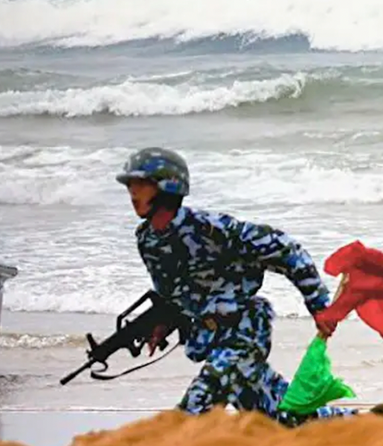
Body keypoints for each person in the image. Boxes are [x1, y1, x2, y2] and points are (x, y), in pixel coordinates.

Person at [119, 147, 365, 425]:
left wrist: (319, 306)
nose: (132, 192)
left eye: (140, 184)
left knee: (193, 411)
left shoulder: (210, 228)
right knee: (279, 416)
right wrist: (163, 322)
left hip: (244, 331)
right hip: (212, 339)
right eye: (129, 185)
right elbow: (174, 292)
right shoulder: (148, 240)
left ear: (167, 185)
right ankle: (360, 423)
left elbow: (286, 250)